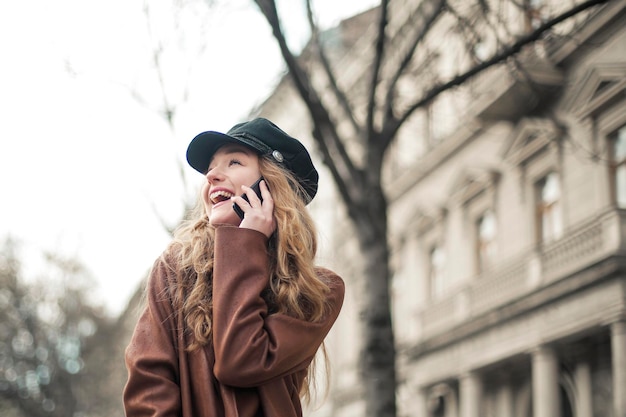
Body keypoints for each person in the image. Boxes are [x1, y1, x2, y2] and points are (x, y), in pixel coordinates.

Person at [123, 118, 345, 417]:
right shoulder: (175, 268)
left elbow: (240, 362)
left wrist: (245, 242)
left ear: (272, 187)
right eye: (211, 168)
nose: (212, 175)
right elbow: (149, 387)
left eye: (234, 162)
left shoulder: (319, 291)